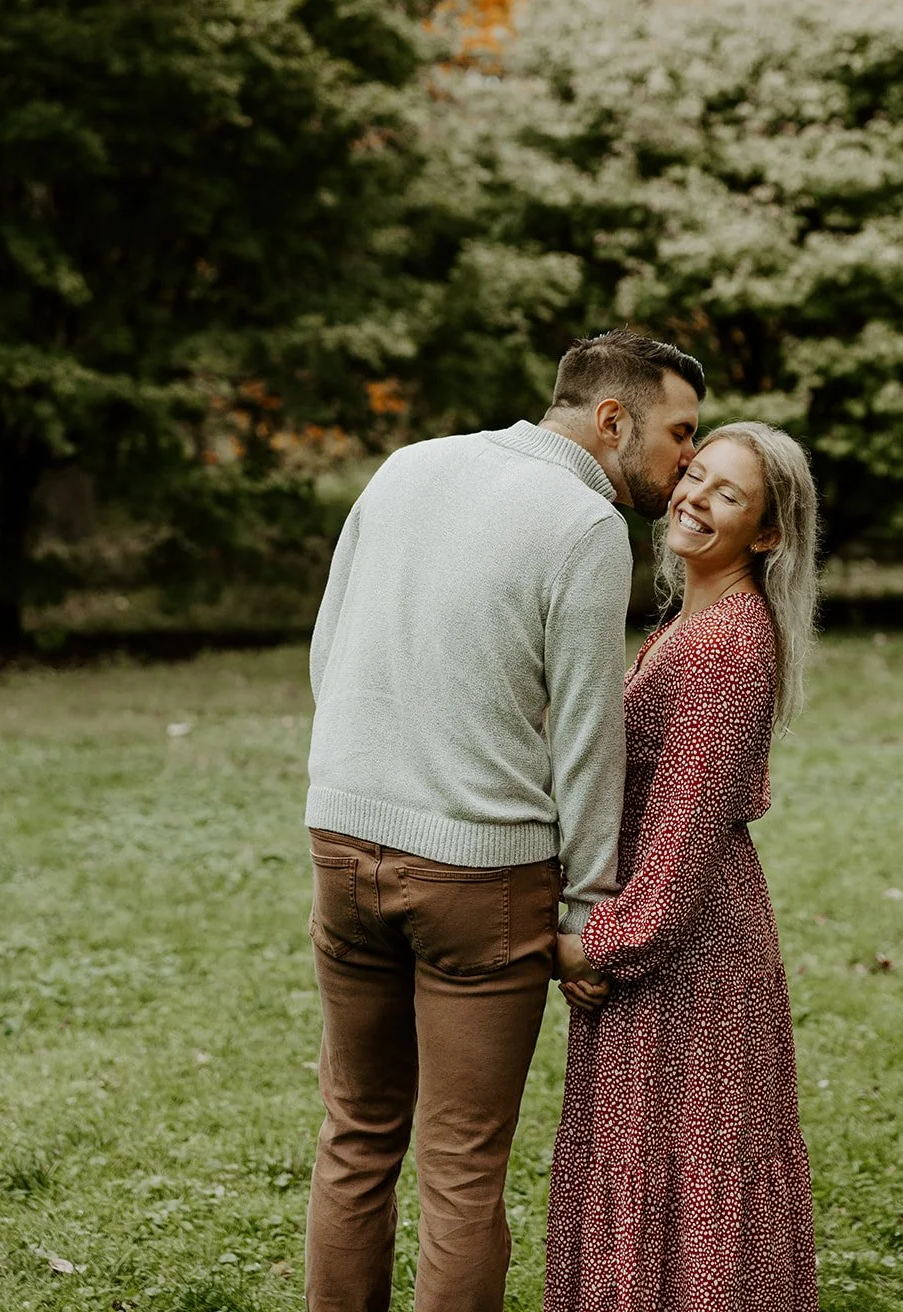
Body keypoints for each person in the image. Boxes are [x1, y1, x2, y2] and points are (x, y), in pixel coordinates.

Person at [303, 330, 706, 1312]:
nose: (688, 459)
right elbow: (585, 730)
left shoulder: (408, 465)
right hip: (479, 877)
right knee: (461, 1169)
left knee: (355, 1137)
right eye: (679, 432)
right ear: (611, 419)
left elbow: (329, 642)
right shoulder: (579, 523)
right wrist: (588, 906)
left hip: (341, 846)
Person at [545, 421, 821, 1312]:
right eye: (694, 476)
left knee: (687, 1176)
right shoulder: (687, 622)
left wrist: (601, 944)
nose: (694, 498)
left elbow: (687, 825)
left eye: (727, 494)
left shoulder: (727, 647)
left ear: (767, 533)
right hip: (664, 942)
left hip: (686, 954)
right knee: (660, 1168)